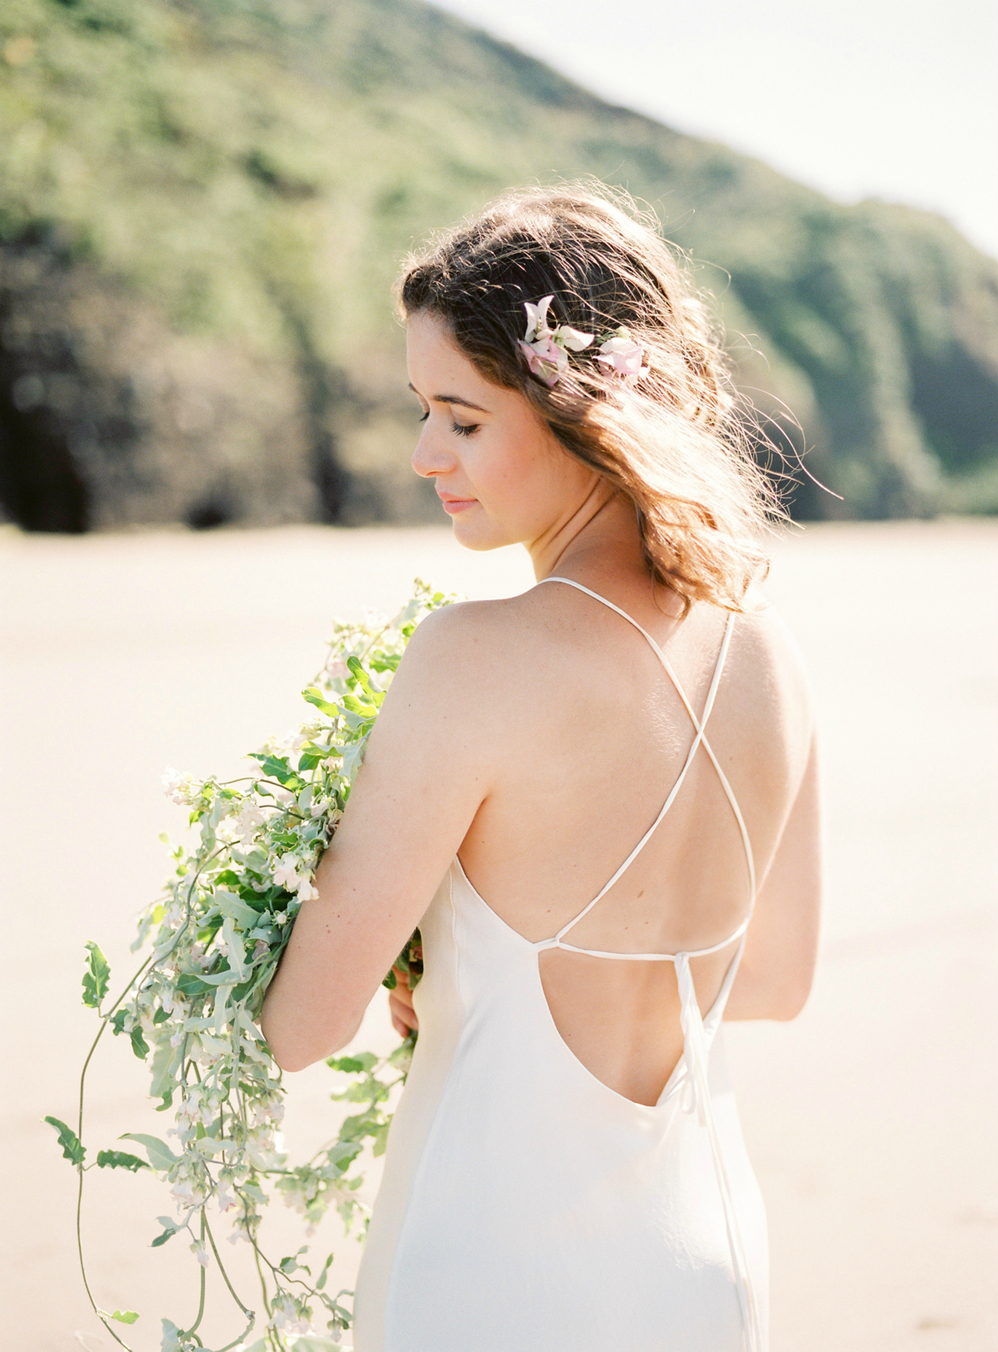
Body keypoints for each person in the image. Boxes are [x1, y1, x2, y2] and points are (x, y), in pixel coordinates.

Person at [260, 185, 821, 1352]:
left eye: (461, 419)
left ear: (582, 413)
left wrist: (410, 950)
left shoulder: (473, 659)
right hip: (702, 1263)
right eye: (423, 412)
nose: (424, 454)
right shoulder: (766, 651)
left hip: (490, 1272)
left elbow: (299, 1024)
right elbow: (769, 981)